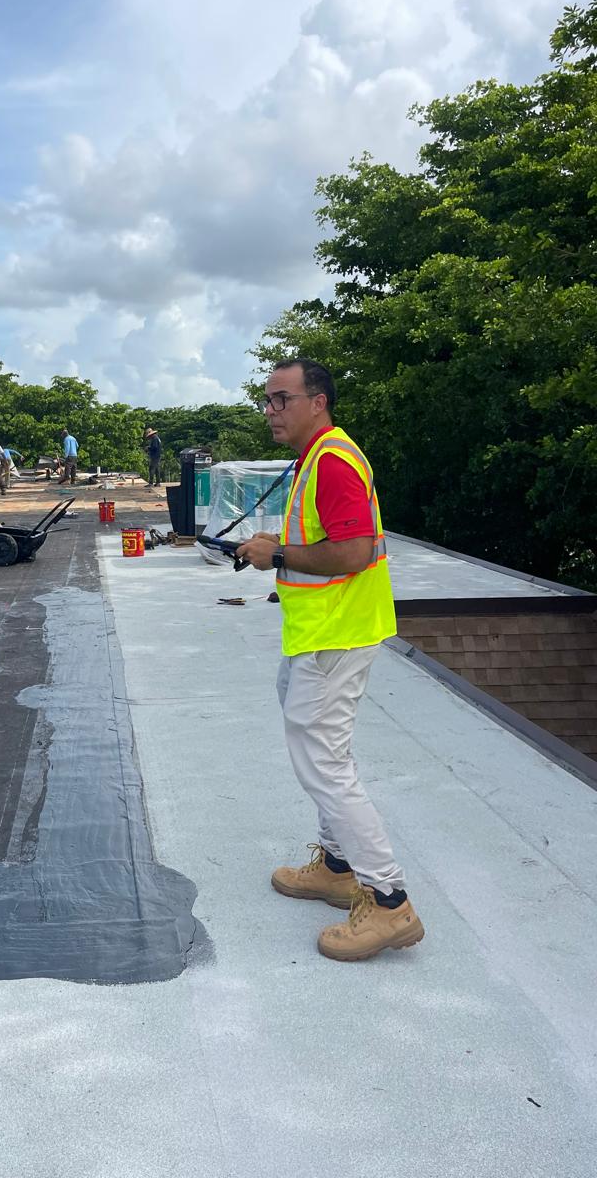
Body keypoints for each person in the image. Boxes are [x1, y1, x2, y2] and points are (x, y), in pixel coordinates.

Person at [236, 358, 424, 963]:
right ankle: (339, 867)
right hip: (319, 632)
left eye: (280, 399)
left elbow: (350, 552)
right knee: (322, 755)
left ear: (317, 401)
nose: (271, 411)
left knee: (324, 762)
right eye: (266, 401)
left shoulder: (335, 460)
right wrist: (278, 552)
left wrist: (276, 556)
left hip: (337, 636)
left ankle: (390, 902)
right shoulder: (318, 457)